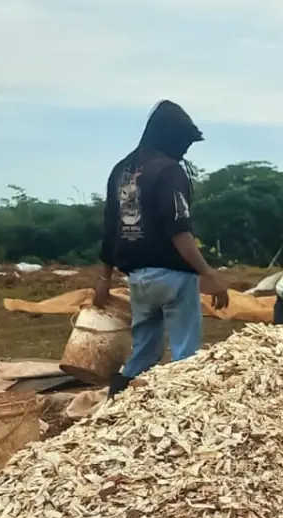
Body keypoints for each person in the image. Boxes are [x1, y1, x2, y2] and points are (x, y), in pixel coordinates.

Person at [95, 100, 229, 397]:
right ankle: (182, 405)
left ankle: (119, 400)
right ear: (170, 137)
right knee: (186, 353)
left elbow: (110, 228)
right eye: (183, 144)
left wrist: (103, 281)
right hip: (173, 277)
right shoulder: (169, 171)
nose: (184, 152)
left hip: (138, 279)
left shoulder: (122, 170)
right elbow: (178, 231)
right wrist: (208, 273)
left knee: (144, 349)